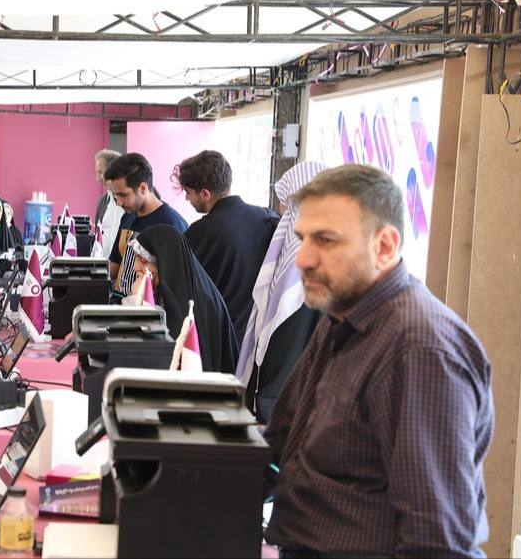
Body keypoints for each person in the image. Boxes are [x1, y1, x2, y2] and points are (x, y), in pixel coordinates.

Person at [264, 165, 493, 557]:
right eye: (303, 239)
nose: (303, 259)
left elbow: (435, 542)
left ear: (384, 247)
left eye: (326, 241)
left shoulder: (418, 348)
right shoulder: (340, 315)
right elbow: (281, 442)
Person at [236, 161, 326, 422]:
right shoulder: (293, 247)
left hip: (285, 391)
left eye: (285, 202)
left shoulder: (309, 260)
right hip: (281, 390)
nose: (281, 210)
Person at [177, 150, 280, 340]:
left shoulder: (200, 233)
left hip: (218, 339)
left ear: (205, 194)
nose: (187, 199)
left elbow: (183, 290)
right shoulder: (268, 219)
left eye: (188, 193)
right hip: (259, 338)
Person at [128, 225, 239, 374]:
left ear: (165, 262)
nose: (135, 267)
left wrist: (137, 299)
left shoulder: (199, 303)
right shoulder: (171, 289)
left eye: (143, 260)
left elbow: (170, 355)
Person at [105, 152, 188, 297]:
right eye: (114, 196)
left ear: (143, 188)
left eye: (123, 195)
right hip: (119, 303)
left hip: (148, 308)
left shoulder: (172, 225)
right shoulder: (127, 218)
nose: (118, 203)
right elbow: (115, 265)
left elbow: (177, 283)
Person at [94, 149, 123, 258]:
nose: (97, 178)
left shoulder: (130, 201)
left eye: (100, 172)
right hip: (104, 263)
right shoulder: (103, 201)